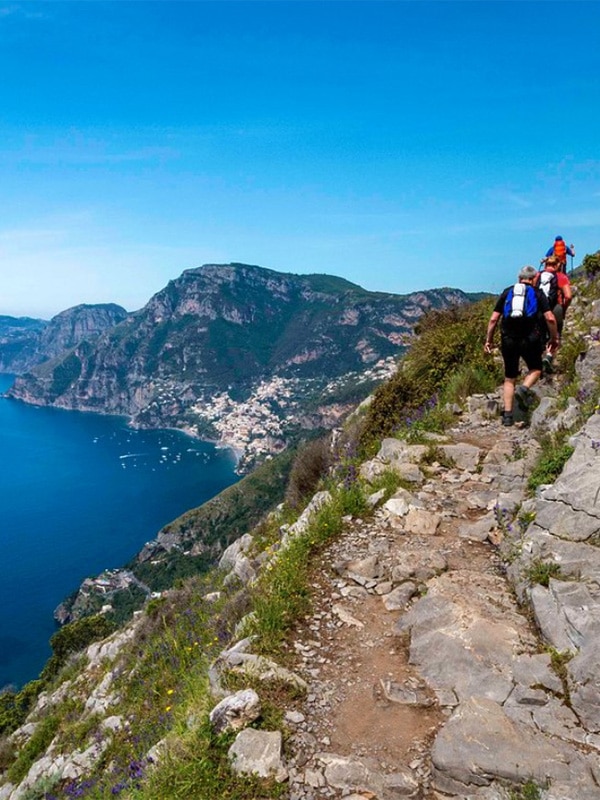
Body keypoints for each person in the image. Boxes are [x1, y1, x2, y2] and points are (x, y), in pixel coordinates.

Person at [484, 265, 559, 426]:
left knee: (509, 378)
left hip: (508, 339)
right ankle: (524, 389)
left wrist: (488, 340)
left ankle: (508, 416)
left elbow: (493, 319)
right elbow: (551, 318)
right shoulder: (538, 293)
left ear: (519, 279)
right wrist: (554, 338)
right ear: (534, 279)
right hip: (530, 339)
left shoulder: (507, 292)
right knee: (536, 369)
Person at [535, 256, 573, 373]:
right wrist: (563, 308)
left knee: (540, 335)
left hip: (539, 310)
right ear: (558, 265)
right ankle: (549, 356)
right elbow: (568, 296)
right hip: (555, 309)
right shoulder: (561, 277)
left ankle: (537, 365)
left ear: (546, 265)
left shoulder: (537, 275)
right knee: (555, 336)